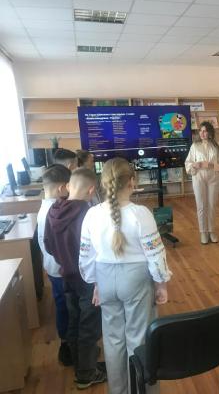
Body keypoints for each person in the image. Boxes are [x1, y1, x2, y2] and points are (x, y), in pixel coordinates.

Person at [79, 157, 171, 394]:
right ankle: (141, 390)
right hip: (136, 280)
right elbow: (155, 254)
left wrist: (96, 283)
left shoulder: (91, 215)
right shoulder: (141, 214)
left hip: (105, 279)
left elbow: (86, 256)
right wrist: (161, 284)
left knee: (112, 340)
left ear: (103, 182)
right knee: (139, 339)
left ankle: (118, 390)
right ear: (132, 181)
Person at [44, 168, 106, 389]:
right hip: (88, 280)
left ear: (69, 186)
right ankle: (86, 374)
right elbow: (98, 249)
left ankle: (80, 362)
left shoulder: (53, 209)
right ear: (91, 190)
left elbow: (48, 246)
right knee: (89, 326)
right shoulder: (89, 214)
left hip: (66, 276)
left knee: (74, 321)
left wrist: (65, 259)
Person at [37, 164, 71, 366]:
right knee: (65, 306)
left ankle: (67, 342)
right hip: (61, 269)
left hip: (52, 267)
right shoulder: (55, 211)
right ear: (61, 188)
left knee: (61, 304)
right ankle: (67, 346)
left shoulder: (45, 207)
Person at [185, 121, 219, 244]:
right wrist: (195, 165)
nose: (202, 133)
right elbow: (188, 163)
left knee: (212, 205)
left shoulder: (217, 146)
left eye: (205, 131)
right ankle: (203, 232)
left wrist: (213, 165)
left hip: (213, 177)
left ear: (210, 133)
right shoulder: (194, 146)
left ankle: (211, 231)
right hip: (199, 177)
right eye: (201, 131)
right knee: (201, 205)